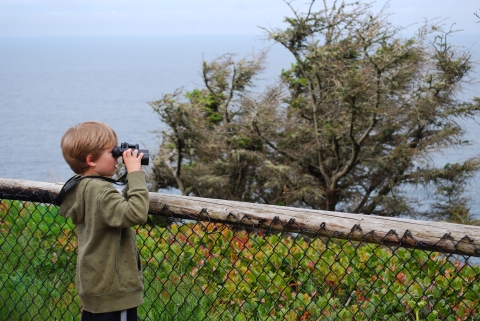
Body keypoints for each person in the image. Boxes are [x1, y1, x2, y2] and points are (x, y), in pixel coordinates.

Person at [58, 121, 149, 321]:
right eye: (113, 152)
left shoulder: (82, 187)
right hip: (115, 290)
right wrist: (135, 174)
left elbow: (115, 209)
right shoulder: (101, 191)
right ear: (91, 159)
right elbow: (136, 213)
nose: (118, 157)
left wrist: (127, 184)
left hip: (94, 287)